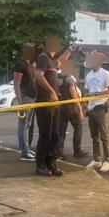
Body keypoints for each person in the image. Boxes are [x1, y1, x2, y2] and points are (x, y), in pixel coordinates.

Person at [33, 36, 78, 177]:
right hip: (45, 101)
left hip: (55, 103)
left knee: (55, 134)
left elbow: (60, 62)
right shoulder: (43, 57)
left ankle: (51, 162)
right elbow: (38, 75)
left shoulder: (52, 61)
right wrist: (51, 91)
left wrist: (70, 49)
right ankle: (40, 164)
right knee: (45, 134)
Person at [84, 52, 109, 172]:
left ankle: (107, 160)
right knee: (94, 136)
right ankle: (97, 160)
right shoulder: (88, 76)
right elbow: (86, 92)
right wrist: (85, 106)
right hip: (91, 108)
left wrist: (97, 94)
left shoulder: (106, 74)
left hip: (101, 106)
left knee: (104, 135)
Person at [56, 59, 87, 159]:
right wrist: (80, 110)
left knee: (61, 131)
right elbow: (74, 95)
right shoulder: (69, 79)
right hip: (71, 108)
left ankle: (59, 152)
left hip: (61, 107)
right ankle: (77, 151)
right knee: (78, 128)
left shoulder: (57, 78)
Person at [14, 43, 37, 161]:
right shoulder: (21, 65)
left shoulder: (29, 65)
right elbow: (17, 84)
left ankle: (25, 149)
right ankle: (24, 151)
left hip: (32, 98)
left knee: (27, 125)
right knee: (24, 126)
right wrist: (20, 101)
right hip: (25, 98)